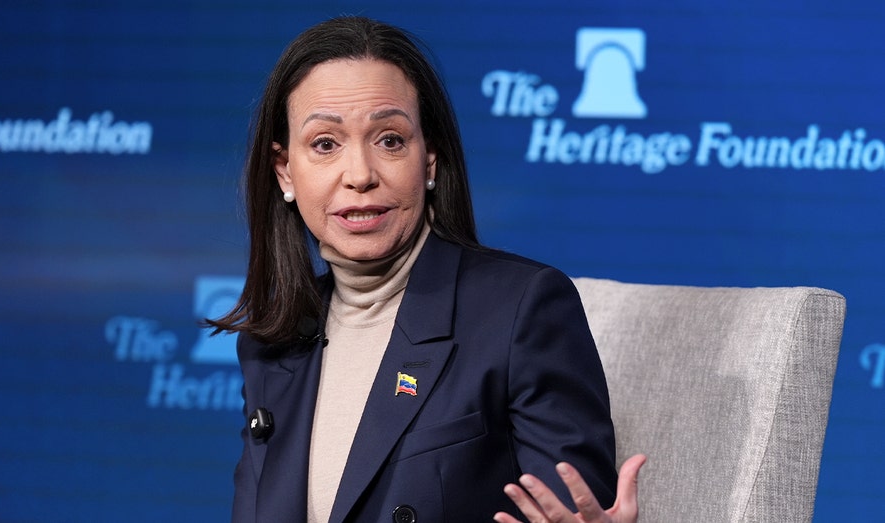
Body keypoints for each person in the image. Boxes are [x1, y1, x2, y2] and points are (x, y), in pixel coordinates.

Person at [208, 16, 644, 523]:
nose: (360, 175)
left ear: (430, 159)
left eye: (390, 140)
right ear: (285, 171)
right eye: (325, 144)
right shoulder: (271, 345)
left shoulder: (520, 311)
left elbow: (568, 508)